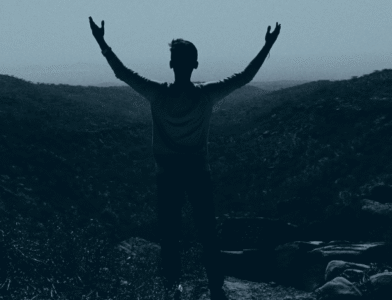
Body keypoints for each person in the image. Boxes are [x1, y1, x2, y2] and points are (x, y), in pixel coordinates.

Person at [88, 17, 281, 300]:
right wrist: (268, 45)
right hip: (198, 172)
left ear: (171, 64)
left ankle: (172, 288)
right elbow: (245, 76)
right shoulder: (206, 95)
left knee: (170, 235)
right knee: (207, 232)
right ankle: (215, 285)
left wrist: (101, 41)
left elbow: (122, 72)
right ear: (196, 65)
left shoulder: (157, 94)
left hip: (167, 175)